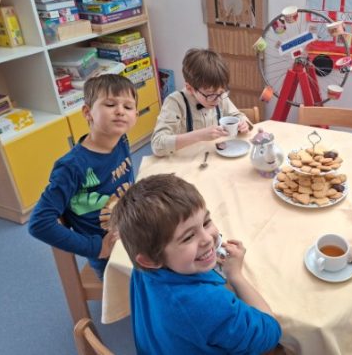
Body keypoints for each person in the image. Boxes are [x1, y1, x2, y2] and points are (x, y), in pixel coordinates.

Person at [111, 174, 282, 354]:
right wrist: (236, 275)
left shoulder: (144, 270)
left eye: (206, 222)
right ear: (150, 260)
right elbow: (270, 332)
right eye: (188, 237)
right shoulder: (208, 303)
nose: (207, 239)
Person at [28, 74, 138, 279]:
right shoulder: (72, 167)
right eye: (110, 104)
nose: (120, 111)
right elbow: (39, 223)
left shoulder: (121, 139)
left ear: (136, 115)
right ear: (88, 113)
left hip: (132, 230)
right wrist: (96, 248)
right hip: (111, 257)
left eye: (128, 107)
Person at [151, 48, 250, 157]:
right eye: (210, 94)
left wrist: (242, 123)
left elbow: (237, 115)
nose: (218, 99)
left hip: (215, 157)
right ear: (190, 88)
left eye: (221, 92)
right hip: (186, 161)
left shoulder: (219, 96)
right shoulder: (175, 102)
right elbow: (157, 144)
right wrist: (199, 135)